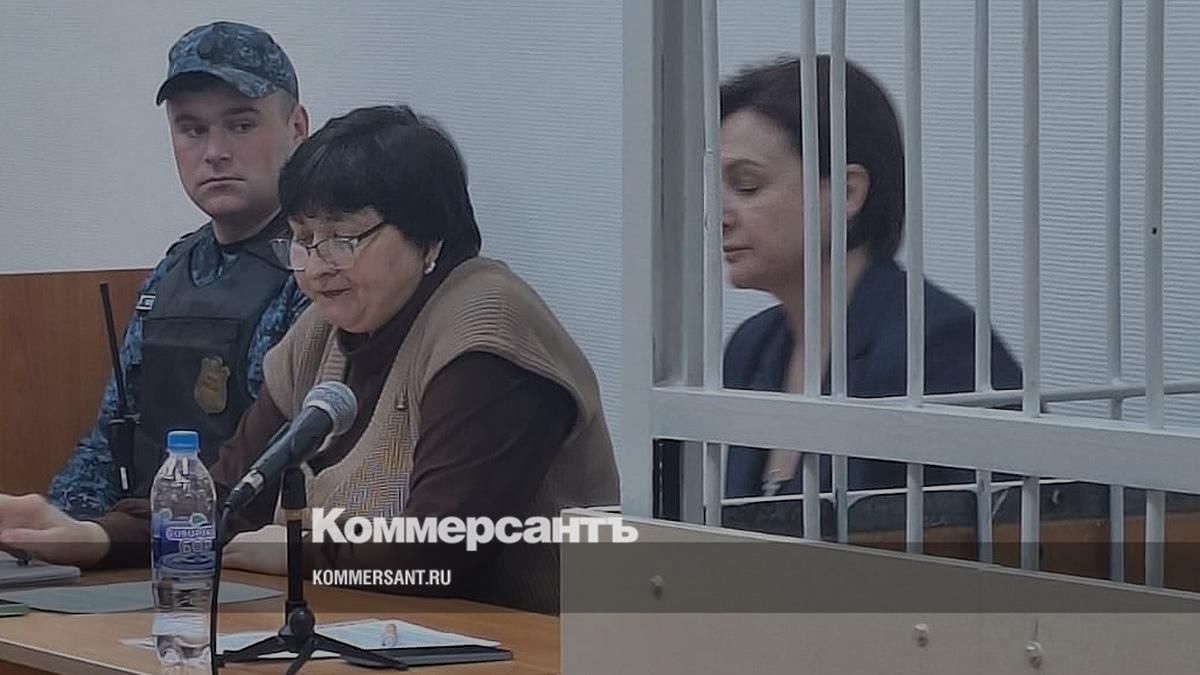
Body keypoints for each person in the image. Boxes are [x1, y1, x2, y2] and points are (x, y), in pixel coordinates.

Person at [0, 105, 620, 615]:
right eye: (302, 239)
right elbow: (230, 498)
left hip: (533, 647)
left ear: (429, 237)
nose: (317, 267)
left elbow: (442, 553)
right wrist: (93, 535)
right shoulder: (321, 333)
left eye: (344, 238)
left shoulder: (486, 329)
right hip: (378, 634)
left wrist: (297, 549)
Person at [721, 55, 1022, 500]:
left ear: (848, 193)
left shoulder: (939, 350)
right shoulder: (751, 346)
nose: (720, 215)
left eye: (747, 186)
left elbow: (1010, 529)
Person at [47, 21, 311, 516]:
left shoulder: (320, 271)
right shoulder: (171, 272)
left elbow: (298, 467)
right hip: (145, 537)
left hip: (256, 548)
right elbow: (106, 445)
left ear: (297, 128)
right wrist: (56, 530)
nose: (214, 153)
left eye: (241, 125)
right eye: (192, 129)